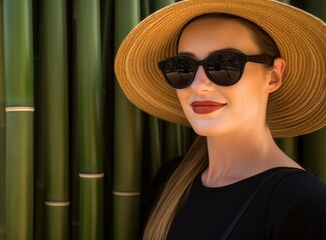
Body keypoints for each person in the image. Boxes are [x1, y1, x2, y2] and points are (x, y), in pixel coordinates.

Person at [114, 0, 326, 239]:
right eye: (183, 67)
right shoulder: (171, 181)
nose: (199, 85)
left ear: (274, 76)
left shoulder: (303, 203)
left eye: (224, 65)